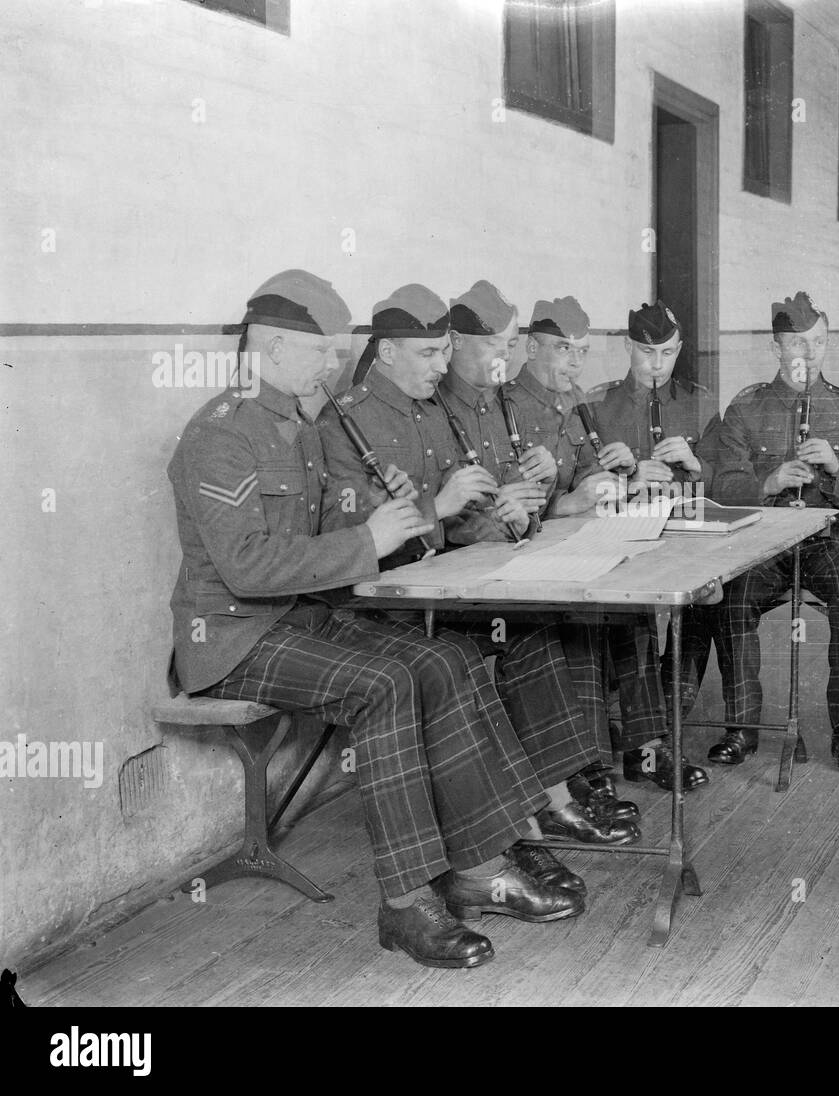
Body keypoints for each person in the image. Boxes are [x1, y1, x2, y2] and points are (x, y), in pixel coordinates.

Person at [167, 270, 582, 971]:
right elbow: (246, 568)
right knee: (387, 682)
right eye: (321, 351)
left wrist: (401, 510)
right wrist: (369, 539)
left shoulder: (298, 425)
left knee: (444, 656)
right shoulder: (223, 435)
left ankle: (480, 864)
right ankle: (408, 903)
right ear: (270, 348)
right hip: (233, 636)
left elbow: (328, 528)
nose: (334, 364)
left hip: (297, 621)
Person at [318, 282, 638, 846]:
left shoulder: (433, 412)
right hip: (383, 600)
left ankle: (557, 792)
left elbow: (471, 508)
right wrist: (437, 509)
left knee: (534, 626)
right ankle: (541, 807)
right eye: (429, 353)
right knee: (503, 637)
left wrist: (514, 517)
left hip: (441, 583)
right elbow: (352, 534)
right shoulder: (348, 421)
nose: (442, 367)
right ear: (387, 352)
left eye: (445, 352)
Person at [708, 292, 839, 771]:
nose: (809, 354)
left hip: (828, 537)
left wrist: (837, 468)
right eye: (797, 344)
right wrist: (769, 481)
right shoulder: (745, 408)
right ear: (776, 348)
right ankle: (742, 726)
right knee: (732, 600)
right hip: (764, 536)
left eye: (819, 342)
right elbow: (723, 486)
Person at [583, 299, 715, 789]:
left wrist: (695, 471)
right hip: (618, 533)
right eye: (645, 352)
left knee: (707, 598)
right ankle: (649, 746)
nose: (656, 364)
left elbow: (721, 491)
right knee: (635, 610)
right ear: (627, 347)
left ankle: (659, 725)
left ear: (678, 350)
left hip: (682, 530)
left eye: (665, 352)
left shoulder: (699, 401)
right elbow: (582, 487)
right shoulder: (595, 404)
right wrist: (628, 477)